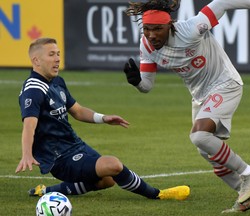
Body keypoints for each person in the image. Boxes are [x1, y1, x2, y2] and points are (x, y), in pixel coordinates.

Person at [124, 0, 250, 212]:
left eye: (157, 29)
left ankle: (249, 173)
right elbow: (147, 85)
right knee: (206, 150)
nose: (151, 34)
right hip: (200, 96)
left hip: (225, 83)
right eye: (147, 29)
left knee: (200, 136)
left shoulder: (192, 29)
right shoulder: (146, 45)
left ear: (170, 25)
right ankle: (247, 195)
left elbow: (224, 2)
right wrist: (136, 81)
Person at [15, 37, 190, 201]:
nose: (57, 59)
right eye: (51, 54)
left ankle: (46, 191)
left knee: (107, 180)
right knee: (113, 164)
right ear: (36, 61)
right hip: (58, 158)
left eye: (58, 54)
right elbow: (29, 126)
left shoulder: (56, 82)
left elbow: (78, 111)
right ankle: (157, 194)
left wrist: (104, 118)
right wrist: (27, 155)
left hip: (75, 145)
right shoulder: (34, 89)